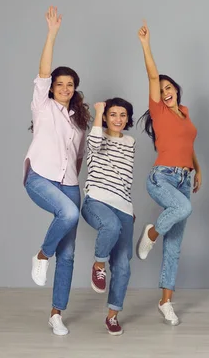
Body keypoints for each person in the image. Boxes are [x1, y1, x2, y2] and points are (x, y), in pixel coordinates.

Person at [23, 6, 90, 336]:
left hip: (70, 183)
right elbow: (43, 71)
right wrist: (52, 34)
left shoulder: (78, 121)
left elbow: (77, 157)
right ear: (52, 88)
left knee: (70, 253)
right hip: (40, 176)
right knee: (67, 214)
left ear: (75, 89)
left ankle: (56, 313)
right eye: (59, 83)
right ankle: (41, 254)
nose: (64, 87)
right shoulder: (42, 105)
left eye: (70, 84)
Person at [135, 21, 201, 326]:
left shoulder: (185, 113)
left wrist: (197, 169)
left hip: (184, 179)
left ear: (176, 89)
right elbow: (152, 74)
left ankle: (165, 302)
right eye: (161, 91)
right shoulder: (159, 111)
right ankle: (150, 233)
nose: (166, 92)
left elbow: (188, 144)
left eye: (169, 88)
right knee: (182, 209)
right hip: (162, 177)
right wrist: (147, 45)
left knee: (174, 245)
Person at [81, 98, 135, 335]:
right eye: (113, 114)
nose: (118, 119)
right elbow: (92, 146)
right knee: (110, 226)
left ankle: (112, 316)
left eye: (123, 115)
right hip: (96, 200)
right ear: (105, 117)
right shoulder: (97, 135)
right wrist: (99, 112)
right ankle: (98, 264)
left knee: (123, 265)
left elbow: (126, 177)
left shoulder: (131, 142)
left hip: (123, 206)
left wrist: (130, 207)